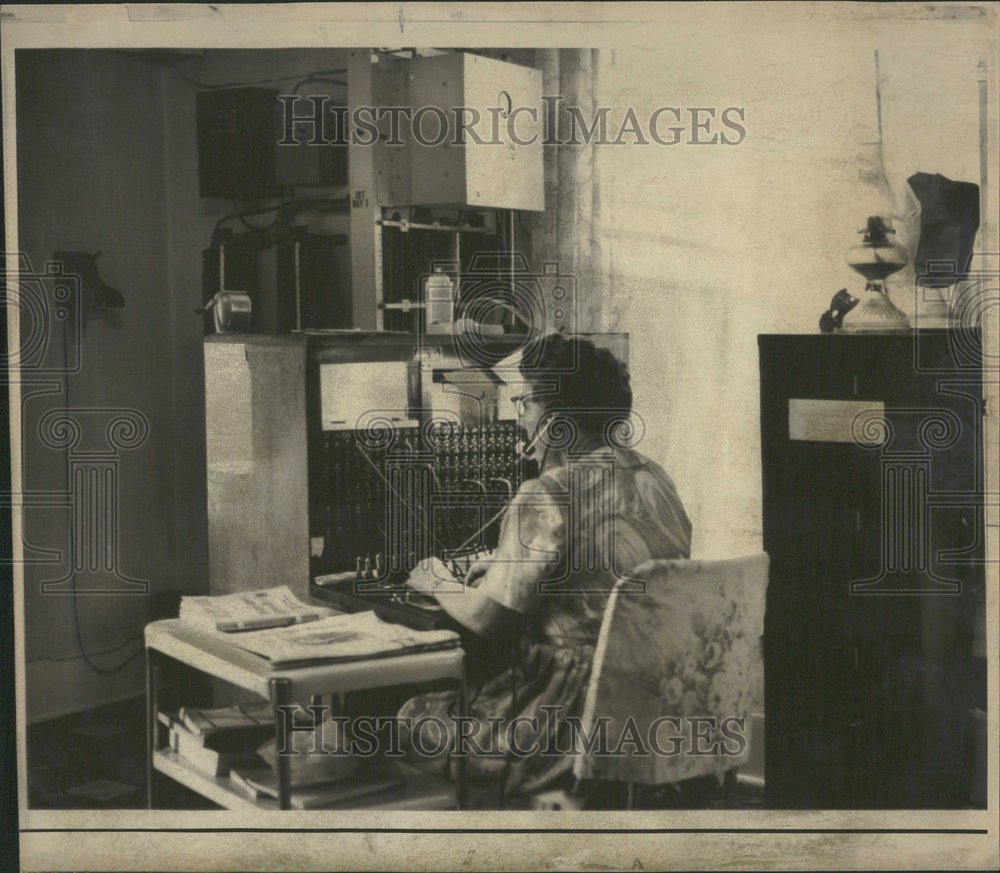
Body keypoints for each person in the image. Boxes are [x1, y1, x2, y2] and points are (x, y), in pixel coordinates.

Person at [400, 333, 692, 801]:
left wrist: (435, 579)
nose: (522, 418)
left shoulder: (546, 494)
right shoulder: (655, 477)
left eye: (525, 403)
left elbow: (487, 619)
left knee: (412, 718)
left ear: (555, 420)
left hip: (568, 718)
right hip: (659, 708)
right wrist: (507, 567)